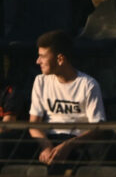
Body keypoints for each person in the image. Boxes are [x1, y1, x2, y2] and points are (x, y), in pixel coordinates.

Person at [28, 30, 105, 165]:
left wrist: (68, 145)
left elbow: (98, 128)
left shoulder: (88, 85)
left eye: (42, 56)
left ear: (60, 59)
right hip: (49, 139)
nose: (38, 61)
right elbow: (33, 125)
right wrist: (47, 146)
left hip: (77, 142)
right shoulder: (40, 81)